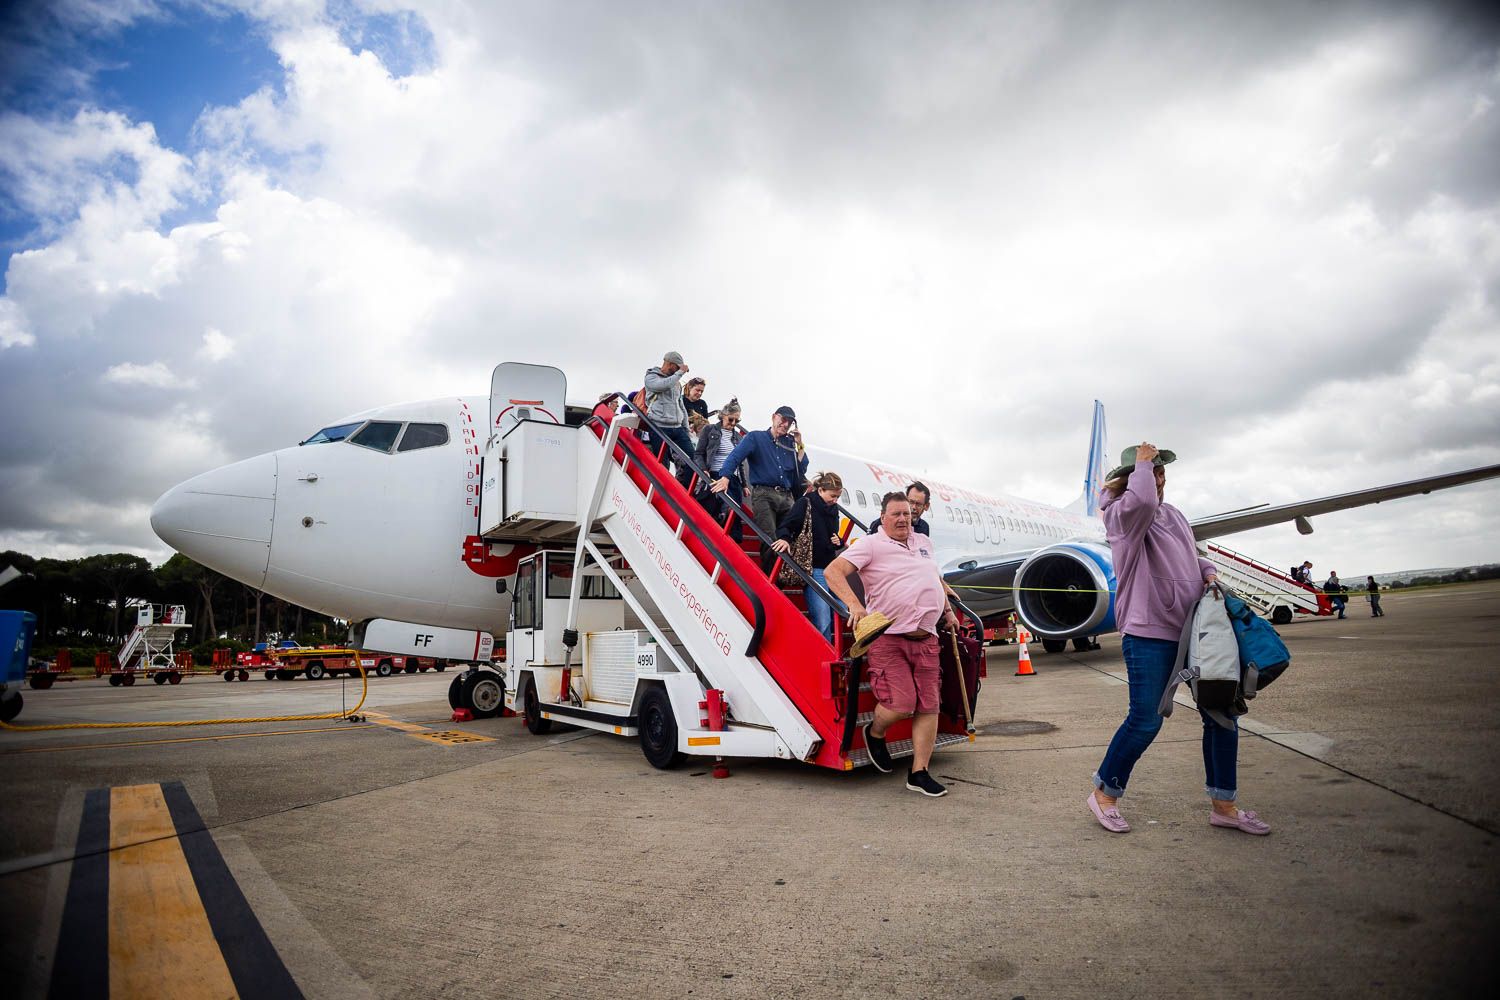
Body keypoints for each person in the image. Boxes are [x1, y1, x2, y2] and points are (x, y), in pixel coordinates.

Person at [1087, 443, 1270, 836]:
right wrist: (1141, 465)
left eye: (1162, 476)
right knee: (1146, 721)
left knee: (1223, 715)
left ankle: (1224, 804)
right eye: (1154, 475)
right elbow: (1140, 504)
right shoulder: (1122, 516)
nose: (1161, 482)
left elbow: (1191, 552)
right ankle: (1105, 792)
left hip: (1195, 632)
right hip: (1149, 632)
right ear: (1130, 481)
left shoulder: (1173, 515)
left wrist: (1207, 571)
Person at [824, 492, 957, 797]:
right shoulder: (870, 544)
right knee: (901, 703)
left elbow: (932, 577)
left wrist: (947, 610)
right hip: (889, 638)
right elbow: (833, 572)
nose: (902, 520)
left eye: (907, 515)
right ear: (883, 517)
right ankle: (875, 732)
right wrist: (855, 606)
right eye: (896, 514)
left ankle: (919, 772)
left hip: (927, 637)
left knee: (929, 705)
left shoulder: (924, 543)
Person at [710, 405, 809, 574]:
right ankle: (771, 581)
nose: (785, 425)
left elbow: (800, 470)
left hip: (786, 497)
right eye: (783, 420)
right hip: (764, 494)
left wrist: (800, 446)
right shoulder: (756, 437)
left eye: (790, 422)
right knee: (770, 539)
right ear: (774, 417)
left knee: (789, 538)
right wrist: (725, 476)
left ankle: (781, 578)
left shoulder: (790, 444)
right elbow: (735, 457)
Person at [770, 471, 847, 642]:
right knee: (822, 618)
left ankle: (828, 648)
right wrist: (784, 538)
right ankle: (825, 653)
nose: (835, 500)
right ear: (820, 490)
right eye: (833, 495)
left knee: (844, 608)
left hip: (830, 567)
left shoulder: (833, 509)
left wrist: (839, 541)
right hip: (814, 567)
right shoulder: (805, 503)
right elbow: (786, 525)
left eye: (838, 496)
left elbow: (832, 535)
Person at [695, 399, 748, 539]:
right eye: (731, 419)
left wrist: (744, 485)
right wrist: (703, 469)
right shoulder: (709, 430)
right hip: (715, 474)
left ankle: (731, 541)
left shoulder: (738, 437)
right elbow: (699, 453)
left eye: (737, 421)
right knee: (713, 507)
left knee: (734, 512)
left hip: (733, 478)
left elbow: (739, 462)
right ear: (723, 415)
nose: (733, 424)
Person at [642, 351, 695, 483]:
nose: (678, 371)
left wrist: (686, 428)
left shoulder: (676, 381)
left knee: (692, 459)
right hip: (659, 427)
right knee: (662, 463)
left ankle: (683, 488)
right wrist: (680, 373)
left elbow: (680, 405)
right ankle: (661, 490)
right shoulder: (651, 377)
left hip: (677, 428)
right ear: (670, 364)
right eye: (677, 368)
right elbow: (663, 385)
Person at [867, 482, 932, 536]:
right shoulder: (880, 524)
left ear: (926, 506)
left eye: (918, 504)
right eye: (911, 502)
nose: (914, 507)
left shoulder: (924, 528)